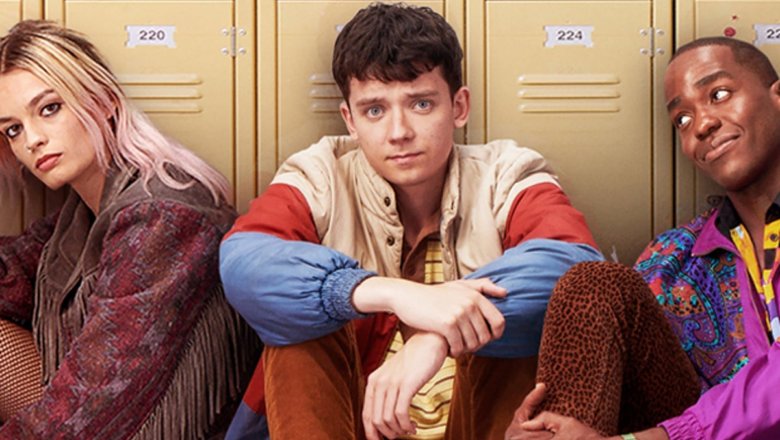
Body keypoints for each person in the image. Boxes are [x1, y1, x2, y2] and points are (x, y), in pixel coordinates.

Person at [218, 3, 603, 439]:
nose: (399, 131)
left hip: (485, 428)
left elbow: (575, 265)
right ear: (350, 120)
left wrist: (437, 335)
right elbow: (244, 261)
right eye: (375, 111)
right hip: (355, 426)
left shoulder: (505, 174)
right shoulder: (321, 174)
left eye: (421, 104)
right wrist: (389, 294)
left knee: (506, 326)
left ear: (459, 106)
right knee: (301, 329)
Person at [506, 37, 780, 439]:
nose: (702, 124)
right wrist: (538, 428)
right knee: (594, 285)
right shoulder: (674, 258)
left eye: (719, 95)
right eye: (682, 120)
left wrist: (657, 438)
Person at [0, 20, 260, 438]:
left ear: (103, 100)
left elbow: (96, 402)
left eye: (49, 109)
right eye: (13, 129)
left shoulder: (162, 218)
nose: (32, 140)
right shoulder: (84, 212)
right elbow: (11, 270)